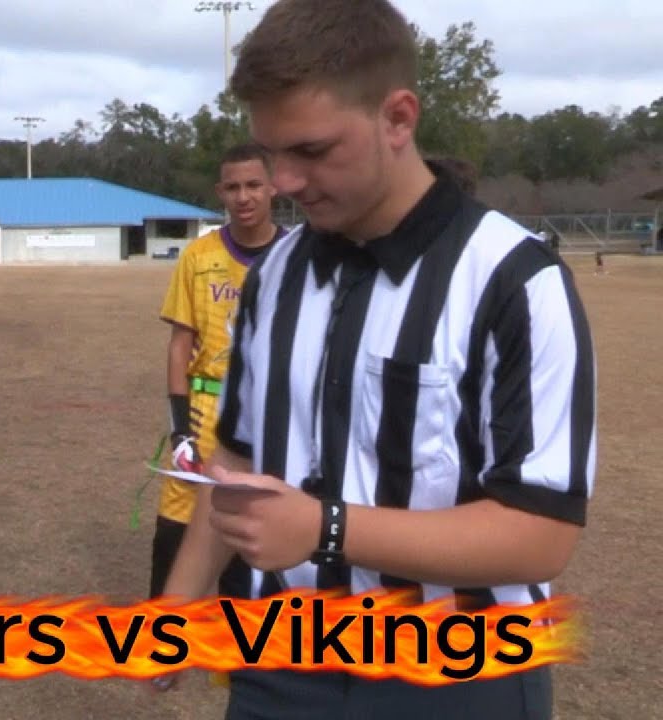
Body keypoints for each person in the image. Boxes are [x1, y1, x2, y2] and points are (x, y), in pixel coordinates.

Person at [157, 1, 596, 718]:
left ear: (398, 118)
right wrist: (175, 608)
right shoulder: (275, 274)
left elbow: (541, 534)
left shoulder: (516, 281)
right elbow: (236, 459)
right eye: (271, 153)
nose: (284, 183)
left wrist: (328, 527)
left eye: (312, 151)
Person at [151, 143, 286, 689]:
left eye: (253, 185)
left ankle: (246, 651)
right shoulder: (199, 255)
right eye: (232, 187)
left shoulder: (296, 254)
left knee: (255, 533)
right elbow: (181, 346)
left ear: (274, 186)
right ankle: (166, 647)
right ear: (219, 193)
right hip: (206, 410)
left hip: (271, 416)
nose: (243, 197)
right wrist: (181, 426)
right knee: (175, 531)